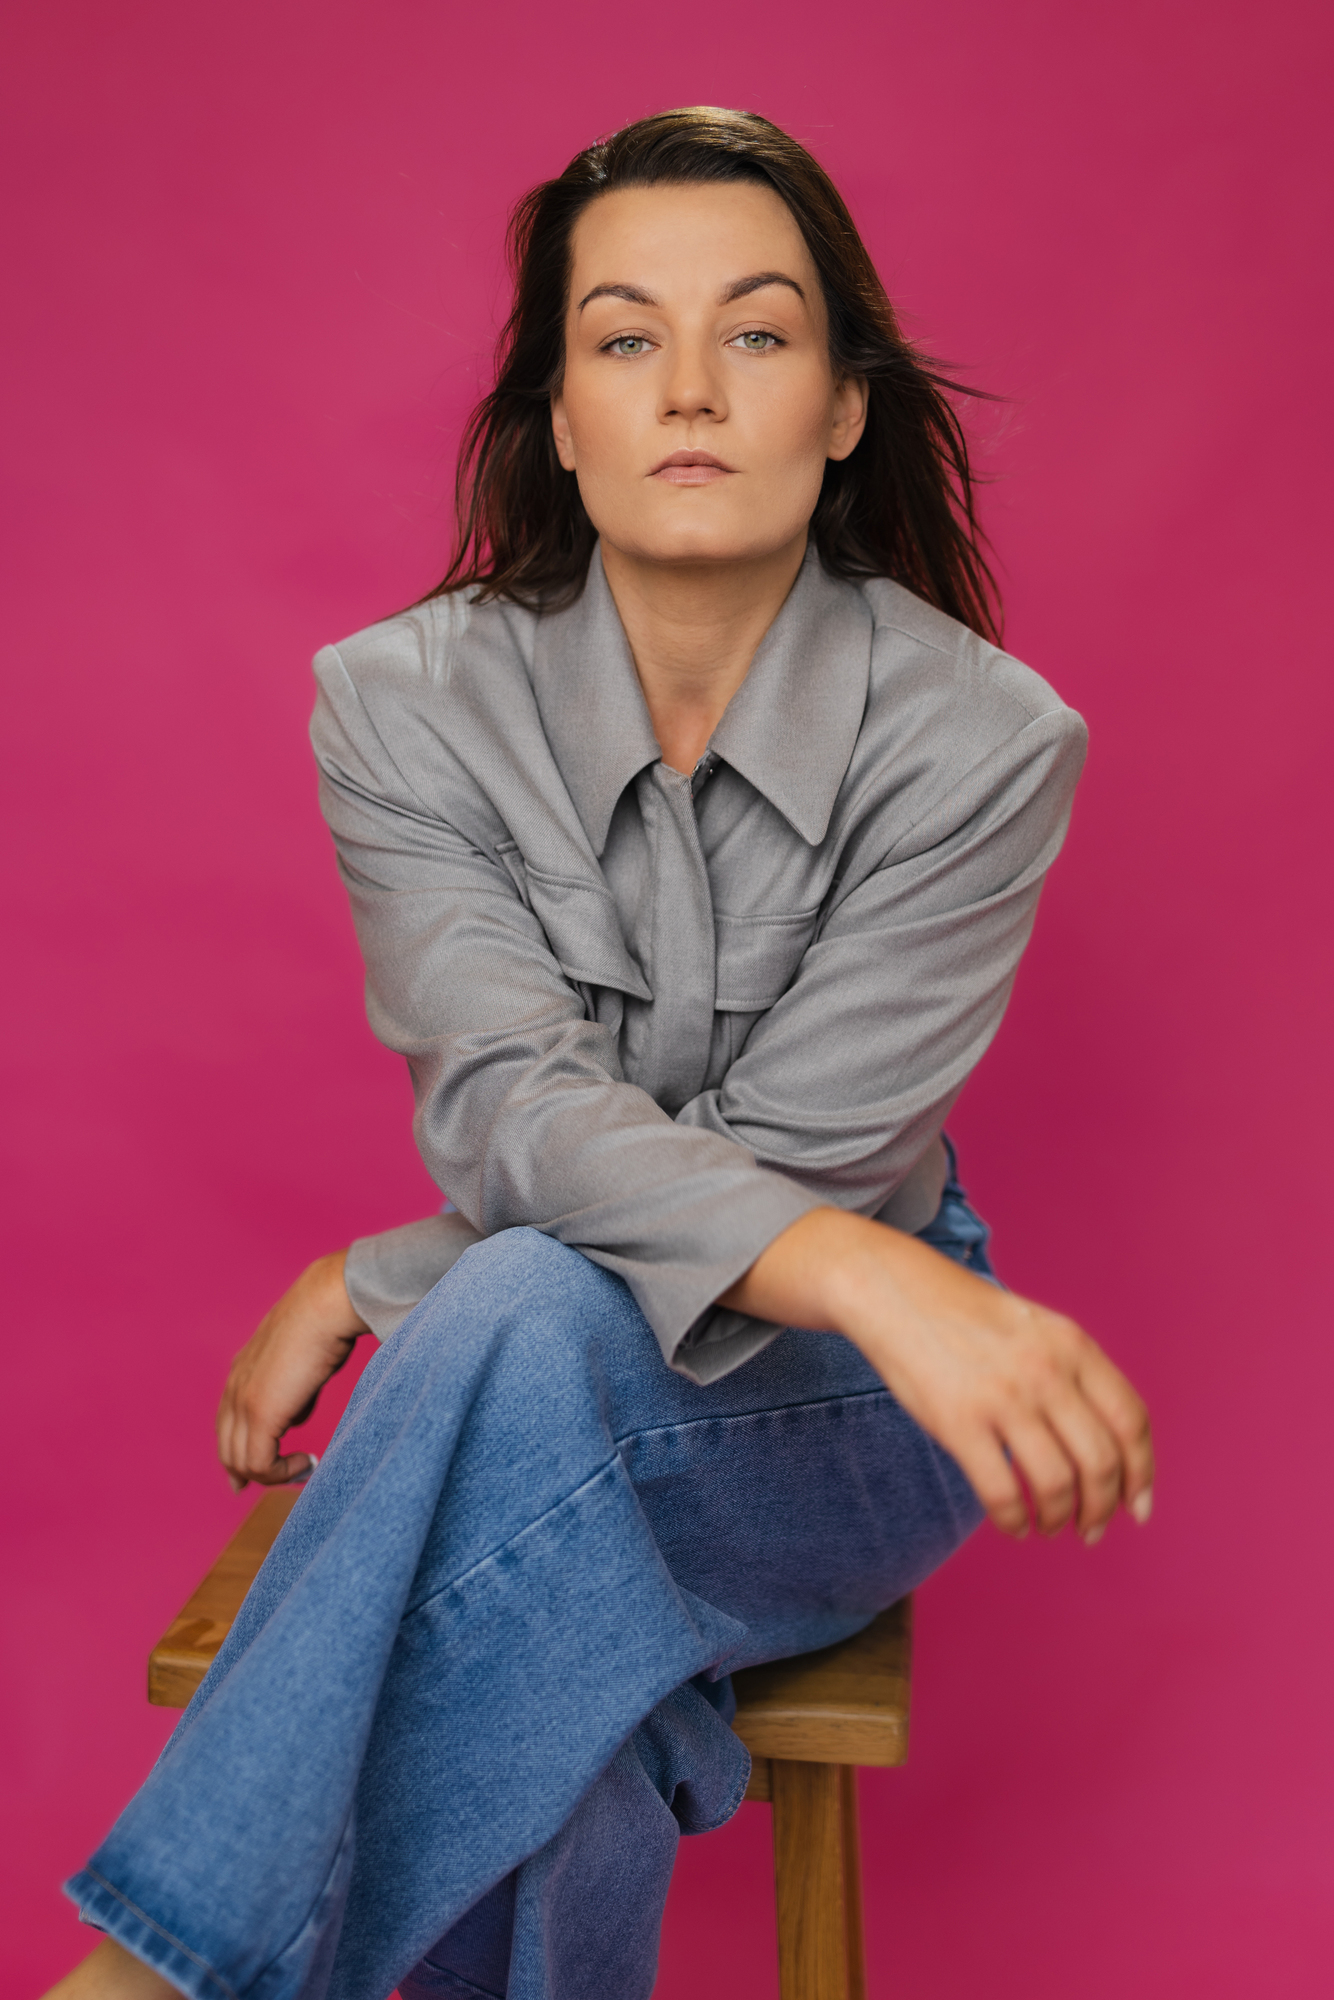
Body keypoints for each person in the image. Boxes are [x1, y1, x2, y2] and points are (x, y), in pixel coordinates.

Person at [49, 107, 1153, 2000]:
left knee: (506, 1315)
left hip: (830, 1414)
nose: (691, 387)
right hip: (637, 1360)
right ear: (559, 417)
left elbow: (784, 1166)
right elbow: (505, 1103)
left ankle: (149, 1977)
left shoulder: (983, 744)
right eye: (626, 337)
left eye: (758, 331)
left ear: (843, 405)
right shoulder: (398, 704)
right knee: (563, 1576)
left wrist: (386, 1277)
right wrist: (867, 1270)